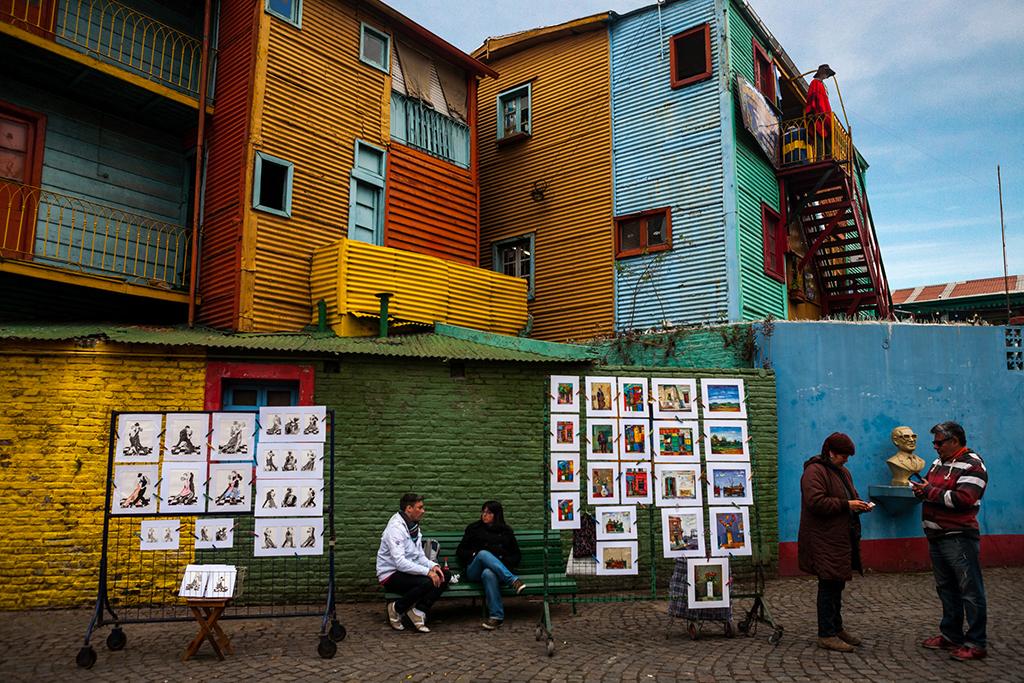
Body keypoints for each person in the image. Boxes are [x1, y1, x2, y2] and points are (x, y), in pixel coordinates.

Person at [910, 422, 988, 661]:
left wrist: (929, 492)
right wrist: (921, 489)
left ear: (955, 440)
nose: (935, 447)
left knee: (970, 590)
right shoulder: (938, 463)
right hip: (936, 535)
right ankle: (951, 634)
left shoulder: (973, 465)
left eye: (939, 442)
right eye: (934, 442)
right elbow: (931, 487)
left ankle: (976, 642)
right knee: (947, 589)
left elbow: (964, 499)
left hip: (959, 537)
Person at [798, 432, 873, 652]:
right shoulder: (814, 472)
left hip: (840, 537)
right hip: (823, 538)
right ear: (831, 452)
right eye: (843, 455)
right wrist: (847, 505)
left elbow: (849, 496)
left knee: (837, 583)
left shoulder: (842, 471)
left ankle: (837, 628)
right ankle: (826, 634)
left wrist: (859, 505)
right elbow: (816, 502)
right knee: (828, 584)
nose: (846, 459)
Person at [376, 493, 450, 633]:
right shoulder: (396, 528)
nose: (423, 511)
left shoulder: (413, 526)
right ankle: (396, 608)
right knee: (427, 581)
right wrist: (427, 572)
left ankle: (418, 612)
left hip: (407, 570)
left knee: (444, 575)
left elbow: (419, 555)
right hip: (391, 574)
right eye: (420, 507)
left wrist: (433, 566)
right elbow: (399, 562)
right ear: (409, 508)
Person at [456, 500, 526, 630]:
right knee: (483, 554)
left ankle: (496, 618)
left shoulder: (505, 531)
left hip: (496, 572)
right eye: (483, 512)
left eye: (488, 513)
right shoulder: (474, 528)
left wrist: (500, 559)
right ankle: (513, 580)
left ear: (496, 515)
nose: (484, 515)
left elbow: (516, 556)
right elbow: (460, 551)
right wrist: (474, 555)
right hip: (474, 570)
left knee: (489, 573)